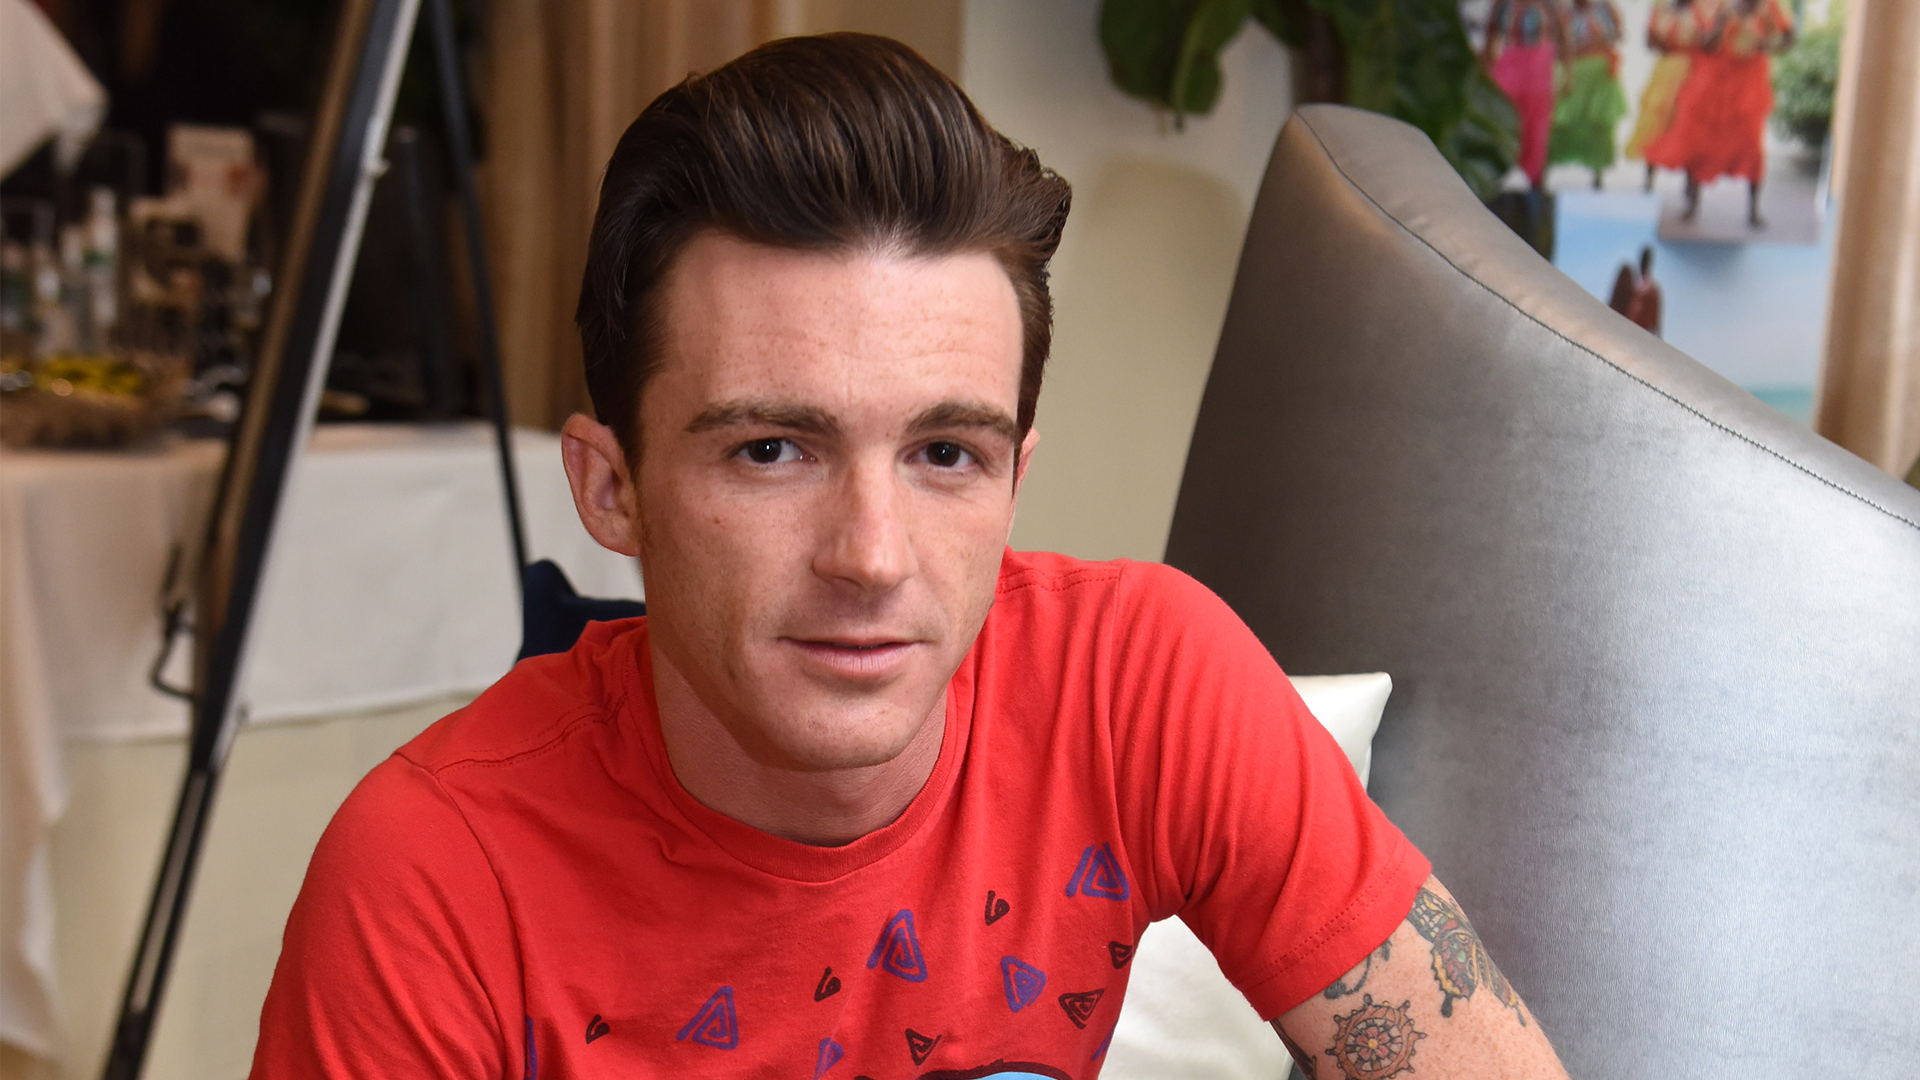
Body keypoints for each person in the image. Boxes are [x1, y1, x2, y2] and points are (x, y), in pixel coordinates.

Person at [248, 34, 1572, 1080]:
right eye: (772, 450)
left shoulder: (1139, 684)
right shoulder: (432, 879)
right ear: (613, 489)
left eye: (946, 453)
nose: (873, 557)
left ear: (1016, 479)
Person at [1643, 0, 1795, 226]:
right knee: (1699, 141)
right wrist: (1720, 25)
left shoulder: (1769, 7)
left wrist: (1767, 44)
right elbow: (1704, 44)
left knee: (1751, 145)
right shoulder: (1717, 6)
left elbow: (1789, 38)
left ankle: (1753, 210)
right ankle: (1692, 204)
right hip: (1712, 79)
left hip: (1749, 84)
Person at [1484, 0, 1570, 189]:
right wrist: (1485, 69)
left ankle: (1534, 187)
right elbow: (1491, 34)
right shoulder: (1503, 3)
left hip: (1538, 70)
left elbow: (1562, 35)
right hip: (1508, 68)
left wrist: (1568, 71)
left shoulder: (1550, 4)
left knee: (1536, 131)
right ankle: (1499, 184)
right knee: (1503, 125)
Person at [1624, 0, 1707, 190]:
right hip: (1665, 71)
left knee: (1688, 126)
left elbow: (1709, 42)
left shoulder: (1701, 12)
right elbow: (1649, 41)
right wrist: (1660, 41)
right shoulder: (1661, 10)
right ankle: (1649, 180)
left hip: (1693, 72)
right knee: (1655, 124)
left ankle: (1691, 184)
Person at [1548, 0, 1629, 189]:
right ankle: (1544, 174)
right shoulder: (1563, 12)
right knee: (1562, 122)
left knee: (1599, 124)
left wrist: (1602, 40)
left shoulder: (1605, 8)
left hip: (1600, 72)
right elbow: (1557, 43)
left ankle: (1597, 173)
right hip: (1574, 71)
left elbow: (1619, 34)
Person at [1608, 245, 1664, 335]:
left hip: (1640, 333)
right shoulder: (1638, 285)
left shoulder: (1649, 288)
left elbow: (1654, 319)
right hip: (1630, 331)